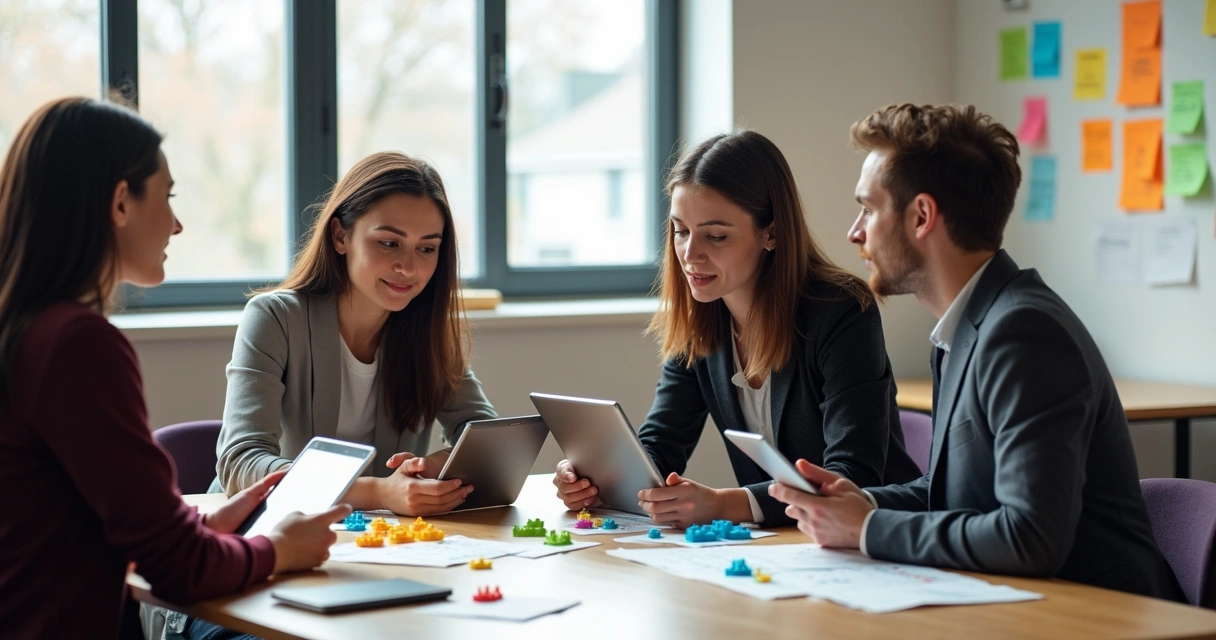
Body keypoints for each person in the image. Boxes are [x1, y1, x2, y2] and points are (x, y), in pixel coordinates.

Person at [768, 103, 1184, 601]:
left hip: (1102, 617)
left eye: (869, 208)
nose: (855, 231)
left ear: (922, 215)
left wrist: (866, 530)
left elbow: (1029, 538)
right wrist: (859, 503)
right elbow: (950, 495)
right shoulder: (967, 327)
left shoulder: (1025, 333)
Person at [0, 97, 346, 639]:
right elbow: (177, 567)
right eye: (168, 197)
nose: (178, 225)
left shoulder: (21, 331)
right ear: (120, 203)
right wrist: (279, 549)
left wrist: (200, 527)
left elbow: (60, 522)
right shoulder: (76, 345)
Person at [553, 131, 921, 527]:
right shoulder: (701, 319)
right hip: (786, 546)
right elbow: (661, 443)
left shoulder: (843, 312)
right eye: (680, 231)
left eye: (715, 236)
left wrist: (722, 504)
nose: (690, 255)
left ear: (772, 233)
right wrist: (599, 480)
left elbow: (851, 478)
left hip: (876, 540)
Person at [213, 151, 495, 517]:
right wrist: (378, 493)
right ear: (340, 235)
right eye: (389, 243)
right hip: (265, 530)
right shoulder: (274, 318)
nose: (408, 267)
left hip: (378, 539)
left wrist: (433, 467)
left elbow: (488, 438)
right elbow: (241, 463)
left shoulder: (429, 331)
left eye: (426, 249)